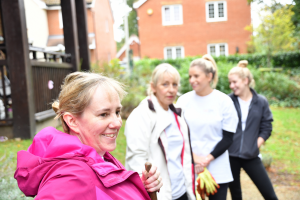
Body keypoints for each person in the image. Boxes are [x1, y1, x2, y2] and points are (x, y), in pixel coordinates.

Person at [14, 72, 163, 200]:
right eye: (103, 114)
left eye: (117, 112)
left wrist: (136, 188)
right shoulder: (73, 177)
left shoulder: (97, 157)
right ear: (72, 121)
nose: (117, 123)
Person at [125, 63, 195, 200]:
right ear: (153, 87)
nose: (171, 90)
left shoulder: (177, 114)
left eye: (174, 85)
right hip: (161, 194)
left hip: (182, 191)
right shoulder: (141, 115)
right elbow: (136, 159)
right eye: (165, 84)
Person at [176, 55, 238, 200]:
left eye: (196, 76)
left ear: (209, 76)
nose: (192, 80)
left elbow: (228, 138)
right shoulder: (183, 101)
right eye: (190, 76)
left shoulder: (224, 101)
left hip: (218, 168)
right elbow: (178, 135)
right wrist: (194, 158)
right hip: (190, 167)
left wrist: (207, 159)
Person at [227, 60, 278, 200]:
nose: (232, 86)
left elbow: (267, 126)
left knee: (269, 194)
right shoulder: (228, 101)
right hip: (231, 156)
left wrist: (256, 144)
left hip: (251, 155)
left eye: (234, 82)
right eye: (230, 83)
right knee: (236, 195)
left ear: (245, 81)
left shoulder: (261, 101)